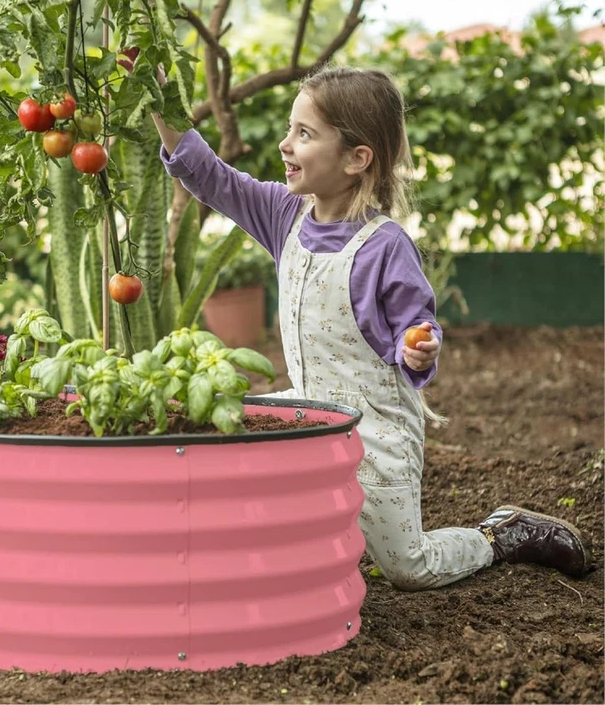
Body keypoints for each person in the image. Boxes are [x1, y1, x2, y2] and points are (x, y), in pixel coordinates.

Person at [152, 66, 593, 590]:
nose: (284, 143)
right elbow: (208, 174)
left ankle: (501, 535)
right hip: (312, 410)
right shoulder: (282, 214)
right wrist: (161, 102)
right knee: (227, 429)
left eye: (304, 134)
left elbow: (417, 325)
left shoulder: (384, 247)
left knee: (408, 568)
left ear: (357, 158)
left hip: (374, 430)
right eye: (291, 129)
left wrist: (420, 350)